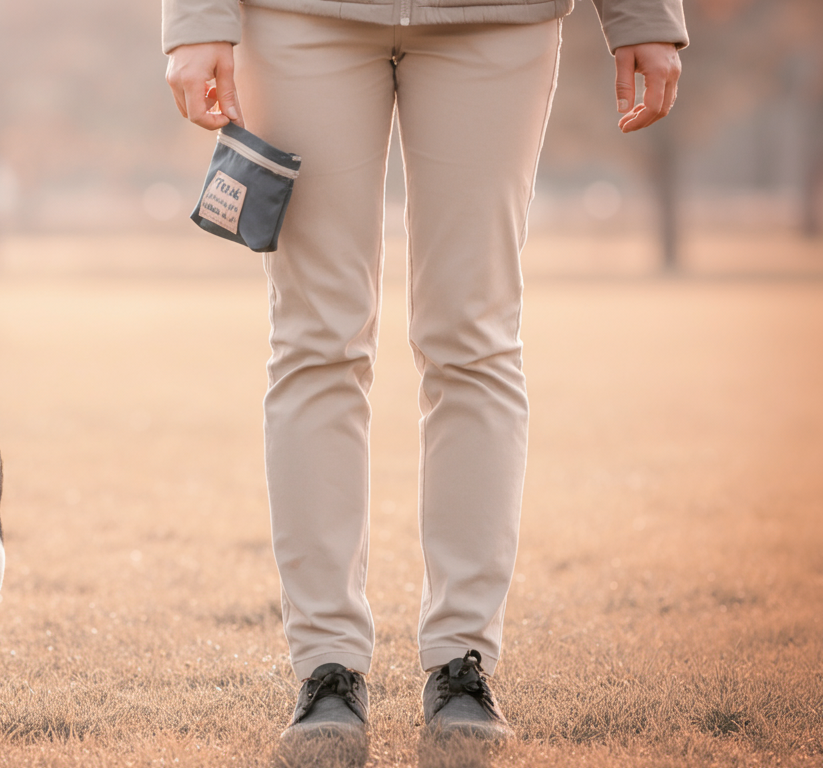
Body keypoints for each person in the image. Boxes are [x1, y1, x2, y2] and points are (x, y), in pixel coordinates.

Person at [162, 0, 684, 745]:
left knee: (474, 339)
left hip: (499, 21)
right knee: (317, 342)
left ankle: (462, 662)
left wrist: (643, 14)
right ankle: (328, 667)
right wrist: (194, 17)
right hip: (300, 17)